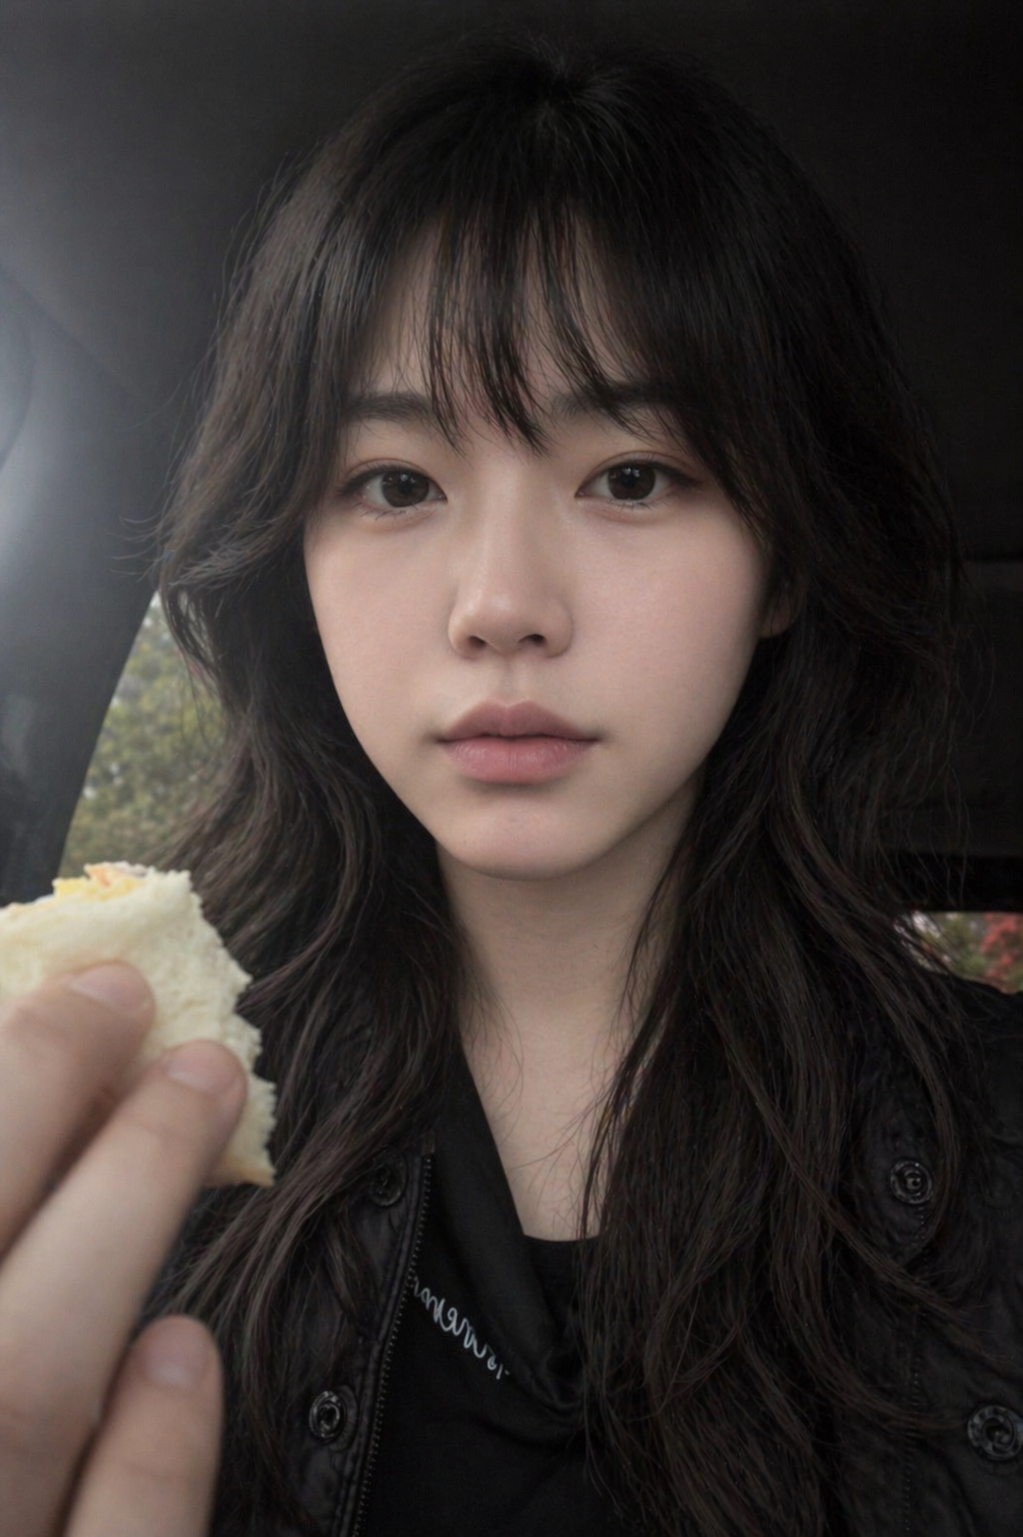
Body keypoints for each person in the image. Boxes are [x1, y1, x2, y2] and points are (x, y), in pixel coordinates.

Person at [1, 30, 1021, 1537]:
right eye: (395, 484)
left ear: (785, 559)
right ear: (297, 556)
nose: (500, 605)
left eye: (632, 476)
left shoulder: (994, 1147)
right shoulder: (103, 1139)